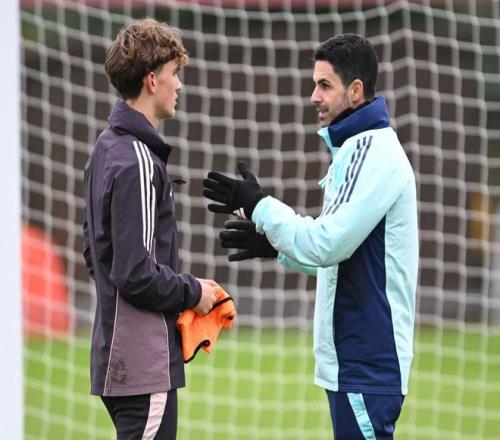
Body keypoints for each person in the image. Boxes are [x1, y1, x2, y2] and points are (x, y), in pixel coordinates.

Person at [203, 34, 419, 439]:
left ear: (355, 91)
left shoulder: (374, 153)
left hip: (366, 365)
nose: (313, 96)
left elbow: (326, 244)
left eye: (324, 85)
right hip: (353, 365)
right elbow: (343, 259)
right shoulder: (354, 149)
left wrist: (259, 205)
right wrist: (275, 247)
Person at [83, 18, 218, 440]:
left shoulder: (105, 148)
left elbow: (94, 253)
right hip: (142, 365)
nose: (179, 85)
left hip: (117, 357)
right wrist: (194, 292)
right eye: (174, 73)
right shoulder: (137, 159)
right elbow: (135, 272)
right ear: (151, 79)